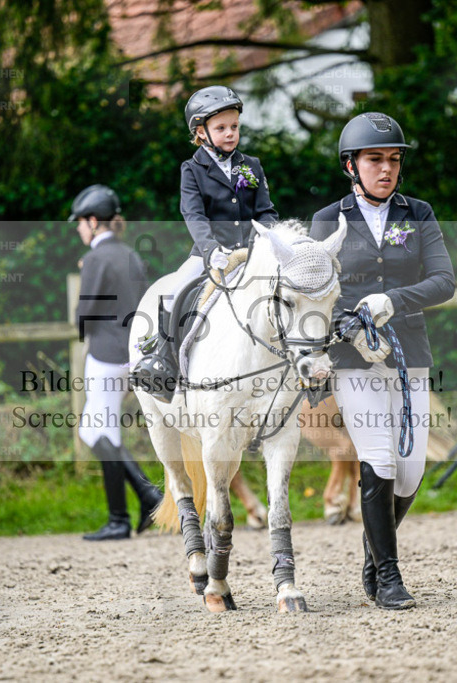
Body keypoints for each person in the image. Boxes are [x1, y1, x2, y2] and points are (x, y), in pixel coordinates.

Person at [310, 112, 456, 609]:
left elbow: (444, 281)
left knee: (410, 473)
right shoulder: (328, 220)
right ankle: (389, 577)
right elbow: (314, 290)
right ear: (351, 165)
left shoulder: (419, 213)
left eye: (393, 160)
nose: (387, 169)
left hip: (408, 353)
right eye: (375, 159)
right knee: (379, 457)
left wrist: (393, 299)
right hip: (353, 358)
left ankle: (373, 554)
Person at [130, 85, 279, 403]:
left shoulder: (250, 165)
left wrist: (268, 241)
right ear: (200, 132)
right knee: (172, 293)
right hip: (211, 255)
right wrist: (211, 251)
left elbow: (265, 211)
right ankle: (163, 363)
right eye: (221, 128)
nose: (230, 133)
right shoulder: (192, 170)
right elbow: (194, 215)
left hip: (252, 253)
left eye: (234, 127)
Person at [71, 184, 163, 541]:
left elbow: (84, 315)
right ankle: (135, 505)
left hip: (105, 356)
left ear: (94, 221)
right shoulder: (129, 254)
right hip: (132, 356)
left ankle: (126, 513)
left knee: (95, 431)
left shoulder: (95, 258)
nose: (79, 228)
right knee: (99, 430)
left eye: (80, 222)